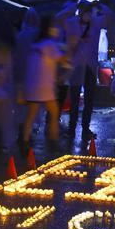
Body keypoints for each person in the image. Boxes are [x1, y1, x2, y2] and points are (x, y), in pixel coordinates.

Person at [65, 0, 111, 140]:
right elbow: (60, 17)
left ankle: (85, 128)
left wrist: (99, 5)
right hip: (76, 65)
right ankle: (71, 129)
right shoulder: (73, 23)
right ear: (81, 12)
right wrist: (74, 5)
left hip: (90, 66)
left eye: (90, 12)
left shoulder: (96, 23)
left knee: (89, 100)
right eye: (86, 11)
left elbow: (110, 16)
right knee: (74, 99)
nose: (88, 15)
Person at [21, 15, 66, 151]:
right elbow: (63, 60)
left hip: (32, 85)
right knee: (54, 111)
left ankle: (24, 141)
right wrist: (71, 47)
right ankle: (54, 140)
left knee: (31, 113)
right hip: (44, 86)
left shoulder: (36, 44)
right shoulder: (49, 44)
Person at [14, 7, 41, 141]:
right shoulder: (37, 35)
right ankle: (27, 134)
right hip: (34, 77)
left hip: (21, 76)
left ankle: (22, 132)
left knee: (21, 107)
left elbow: (16, 57)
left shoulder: (20, 35)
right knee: (32, 107)